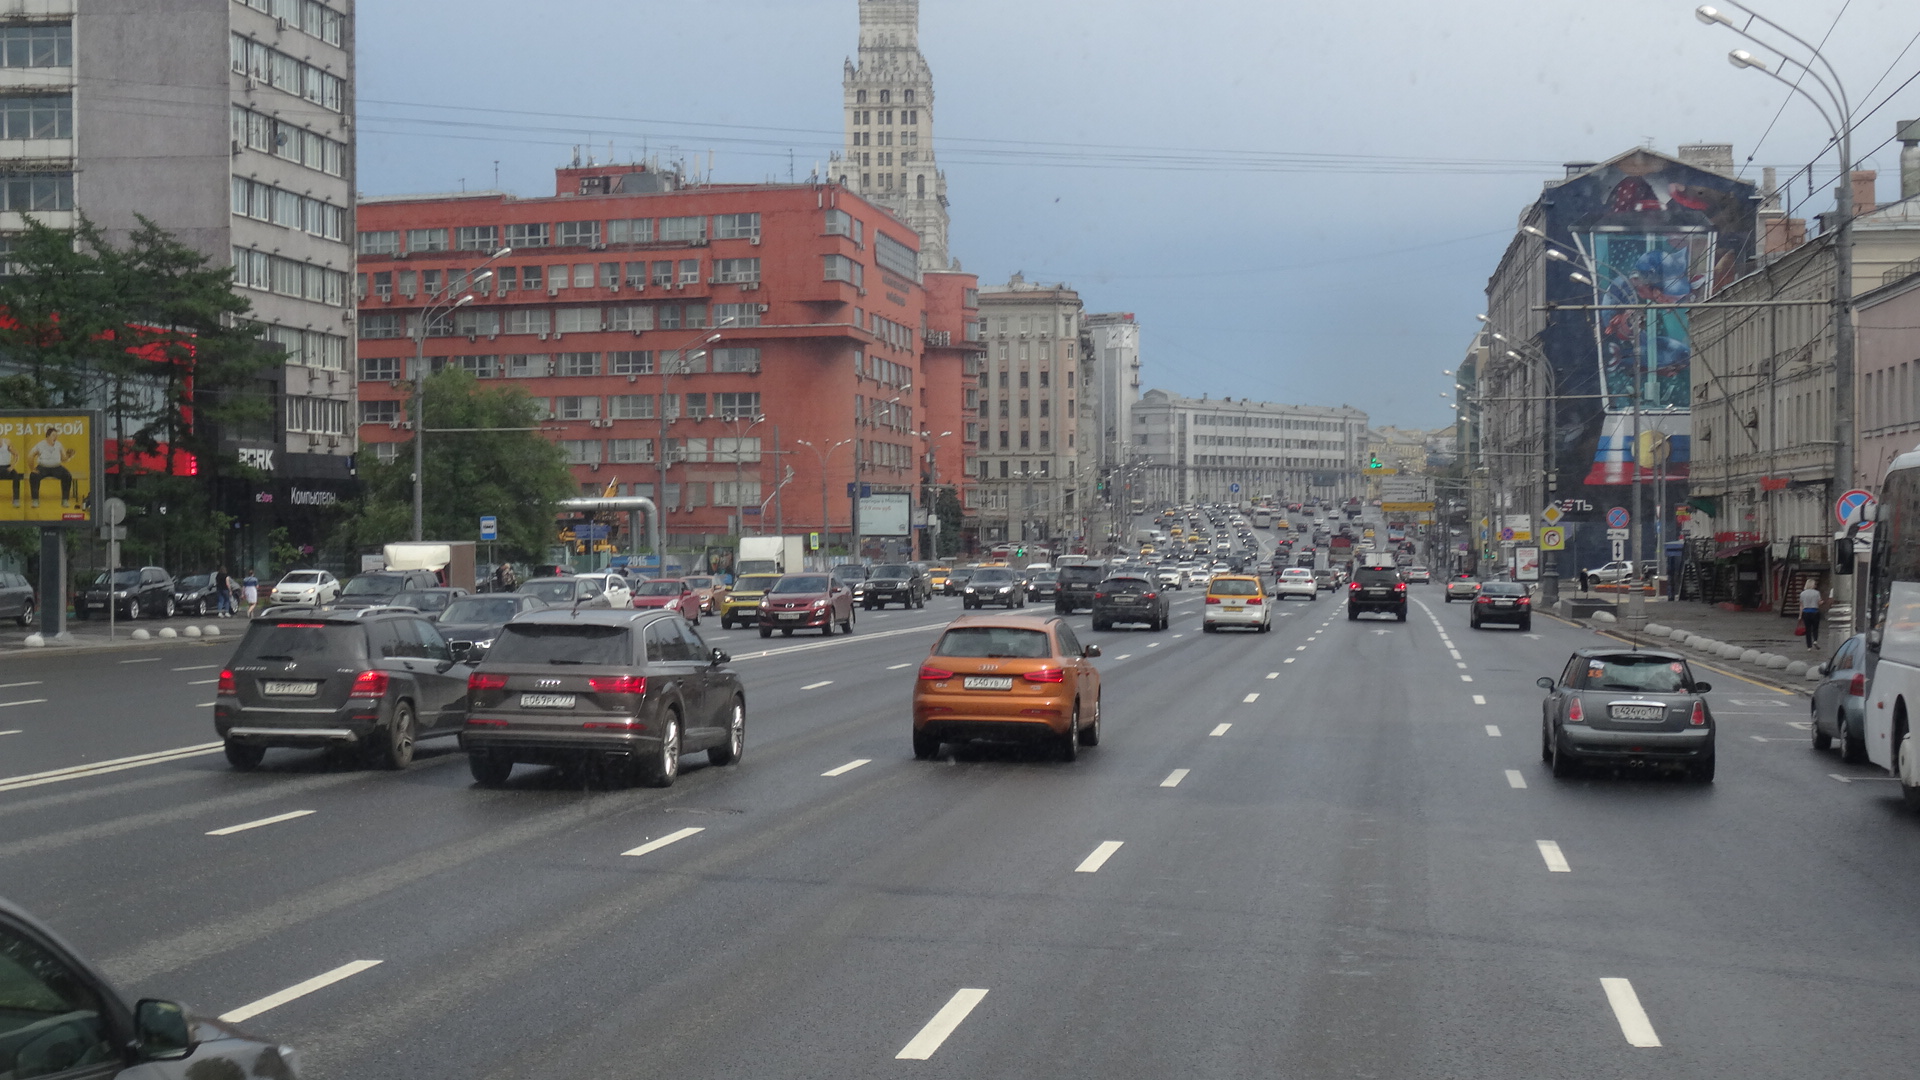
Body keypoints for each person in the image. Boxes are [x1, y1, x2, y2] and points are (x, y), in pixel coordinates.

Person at [27, 426, 74, 509]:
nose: (55, 437)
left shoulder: (59, 445)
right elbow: (30, 455)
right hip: (43, 467)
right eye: (53, 435)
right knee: (33, 476)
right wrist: (32, 468)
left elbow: (63, 459)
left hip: (57, 467)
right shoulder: (40, 445)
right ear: (48, 436)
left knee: (67, 476)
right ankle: (35, 500)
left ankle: (65, 500)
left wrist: (69, 456)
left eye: (56, 435)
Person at [1800, 582, 1826, 650]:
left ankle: (1809, 646)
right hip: (1815, 612)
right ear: (1812, 585)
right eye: (1814, 584)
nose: (1815, 585)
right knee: (1815, 628)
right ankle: (1815, 640)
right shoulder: (1817, 593)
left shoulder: (1802, 593)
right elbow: (1819, 603)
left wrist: (1800, 615)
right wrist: (1823, 602)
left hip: (1806, 612)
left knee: (1808, 629)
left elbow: (1801, 605)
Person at [0, 433, 20, 508]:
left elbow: (16, 454)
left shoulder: (7, 443)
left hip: (7, 467)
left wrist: (12, 466)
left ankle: (16, 500)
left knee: (16, 476)